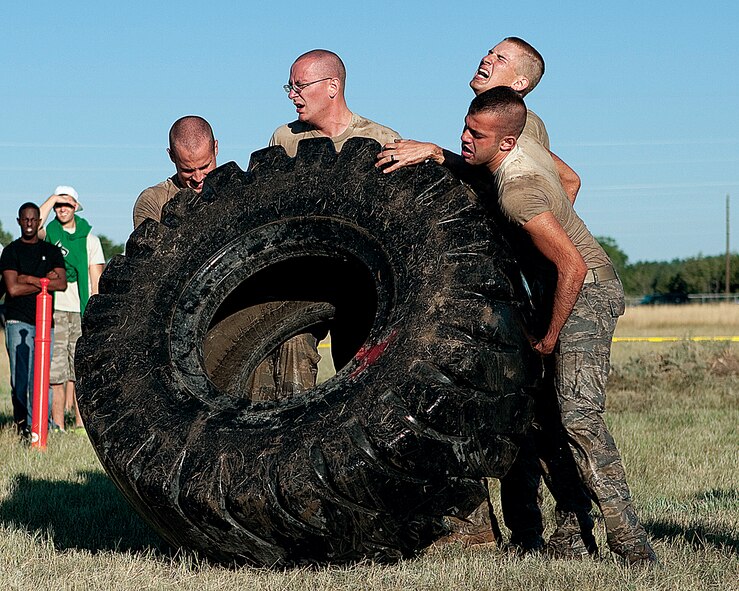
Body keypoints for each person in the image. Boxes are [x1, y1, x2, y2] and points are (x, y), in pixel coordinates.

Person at [459, 86, 657, 565]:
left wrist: (550, 336)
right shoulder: (526, 149)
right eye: (466, 127)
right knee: (547, 419)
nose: (466, 139)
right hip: (566, 290)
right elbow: (572, 179)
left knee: (579, 417)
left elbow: (572, 266)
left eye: (477, 134)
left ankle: (631, 543)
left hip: (588, 290)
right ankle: (572, 535)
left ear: (506, 143)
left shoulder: (516, 192)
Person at [260, 49, 400, 399]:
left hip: (362, 283)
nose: (293, 95)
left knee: (358, 374)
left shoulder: (381, 139)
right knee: (292, 348)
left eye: (300, 86)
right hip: (306, 281)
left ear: (332, 87)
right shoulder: (285, 139)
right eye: (289, 87)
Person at [377, 37, 580, 204]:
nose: (486, 58)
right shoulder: (496, 119)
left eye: (500, 58)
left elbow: (569, 180)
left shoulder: (520, 125)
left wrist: (435, 152)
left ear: (519, 83)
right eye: (489, 52)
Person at [37, 186, 105, 432]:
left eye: (67, 204)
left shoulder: (90, 239)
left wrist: (95, 316)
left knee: (79, 369)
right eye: (58, 205)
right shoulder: (50, 234)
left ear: (76, 206)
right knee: (56, 371)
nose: (61, 209)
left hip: (80, 310)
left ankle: (80, 422)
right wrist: (53, 198)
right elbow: (34, 225)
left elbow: (96, 280)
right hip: (54, 310)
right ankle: (58, 423)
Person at [1, 203, 66, 439]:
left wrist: (28, 278)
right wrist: (42, 281)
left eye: (33, 220)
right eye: (25, 219)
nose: (29, 223)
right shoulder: (10, 252)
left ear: (39, 222)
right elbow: (13, 289)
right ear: (19, 221)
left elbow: (61, 283)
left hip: (45, 322)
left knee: (42, 377)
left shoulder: (51, 251)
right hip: (17, 320)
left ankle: (40, 425)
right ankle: (22, 426)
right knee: (21, 379)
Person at [133, 116, 218, 228]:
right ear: (172, 156)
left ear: (215, 148)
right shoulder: (154, 200)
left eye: (204, 167)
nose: (198, 178)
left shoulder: (236, 189)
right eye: (188, 170)